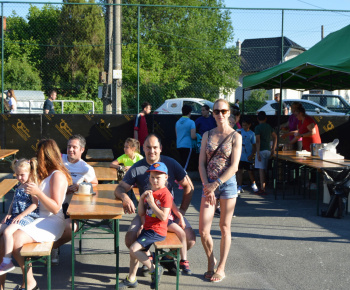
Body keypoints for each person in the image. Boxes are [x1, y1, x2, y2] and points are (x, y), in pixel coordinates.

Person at [115, 133, 196, 282]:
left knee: (189, 239)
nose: (151, 151)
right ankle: (148, 260)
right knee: (131, 238)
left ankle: (165, 258)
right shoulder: (137, 167)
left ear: (161, 149)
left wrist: (182, 212)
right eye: (148, 147)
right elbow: (120, 188)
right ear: (143, 149)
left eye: (155, 147)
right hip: (146, 213)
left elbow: (189, 187)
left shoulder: (170, 163)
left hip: (167, 212)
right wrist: (125, 197)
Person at [0, 139, 72, 290]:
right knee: (3, 240)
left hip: (52, 220)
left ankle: (29, 281)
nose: (36, 158)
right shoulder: (43, 172)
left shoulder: (57, 175)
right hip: (36, 217)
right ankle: (10, 283)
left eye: (38, 155)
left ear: (47, 155)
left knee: (15, 238)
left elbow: (55, 207)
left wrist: (38, 192)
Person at [198, 99, 242, 283]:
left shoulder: (235, 136)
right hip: (209, 186)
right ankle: (211, 260)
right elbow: (201, 163)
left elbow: (235, 167)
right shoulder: (207, 135)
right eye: (216, 111)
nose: (220, 114)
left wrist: (216, 184)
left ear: (229, 112)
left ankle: (221, 267)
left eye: (223, 111)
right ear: (213, 113)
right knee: (203, 230)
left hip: (227, 185)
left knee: (224, 227)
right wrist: (207, 185)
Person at [121, 162, 172, 289]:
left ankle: (155, 268)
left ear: (166, 177)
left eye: (158, 177)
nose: (155, 180)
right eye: (152, 177)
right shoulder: (150, 192)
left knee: (134, 249)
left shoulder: (165, 194)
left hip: (156, 231)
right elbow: (141, 213)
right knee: (134, 253)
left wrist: (152, 203)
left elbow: (164, 217)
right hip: (148, 229)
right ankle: (131, 279)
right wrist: (142, 199)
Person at [51, 134, 98, 265]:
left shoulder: (86, 168)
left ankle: (53, 247)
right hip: (51, 202)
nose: (70, 150)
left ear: (82, 150)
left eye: (74, 147)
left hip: (70, 206)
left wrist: (79, 186)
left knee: (71, 228)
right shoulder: (58, 159)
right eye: (68, 146)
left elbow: (94, 183)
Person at [0, 159, 39, 275]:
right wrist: (9, 213)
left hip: (27, 216)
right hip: (16, 215)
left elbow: (35, 204)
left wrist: (22, 215)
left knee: (7, 232)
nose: (19, 177)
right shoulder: (19, 185)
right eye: (17, 175)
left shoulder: (31, 185)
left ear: (30, 173)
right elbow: (13, 201)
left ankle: (7, 261)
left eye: (22, 175)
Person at [254, 111, 277, 194]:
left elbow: (257, 141)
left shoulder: (257, 128)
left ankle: (262, 188)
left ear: (257, 119)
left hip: (261, 150)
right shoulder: (269, 127)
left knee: (261, 170)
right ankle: (265, 186)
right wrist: (273, 148)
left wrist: (257, 152)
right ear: (266, 118)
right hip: (268, 150)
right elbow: (275, 137)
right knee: (267, 169)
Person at [237, 117, 258, 194]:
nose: (244, 127)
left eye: (245, 125)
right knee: (239, 171)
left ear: (249, 125)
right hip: (239, 156)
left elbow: (254, 145)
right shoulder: (238, 131)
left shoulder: (252, 134)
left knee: (250, 171)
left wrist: (252, 154)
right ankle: (239, 186)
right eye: (243, 125)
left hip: (248, 156)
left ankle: (253, 184)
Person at [175, 105, 196, 170]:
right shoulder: (191, 122)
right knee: (185, 166)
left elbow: (177, 135)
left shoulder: (177, 122)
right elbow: (193, 136)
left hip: (179, 145)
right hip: (187, 146)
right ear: (190, 112)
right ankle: (181, 179)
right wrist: (198, 136)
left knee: (182, 163)